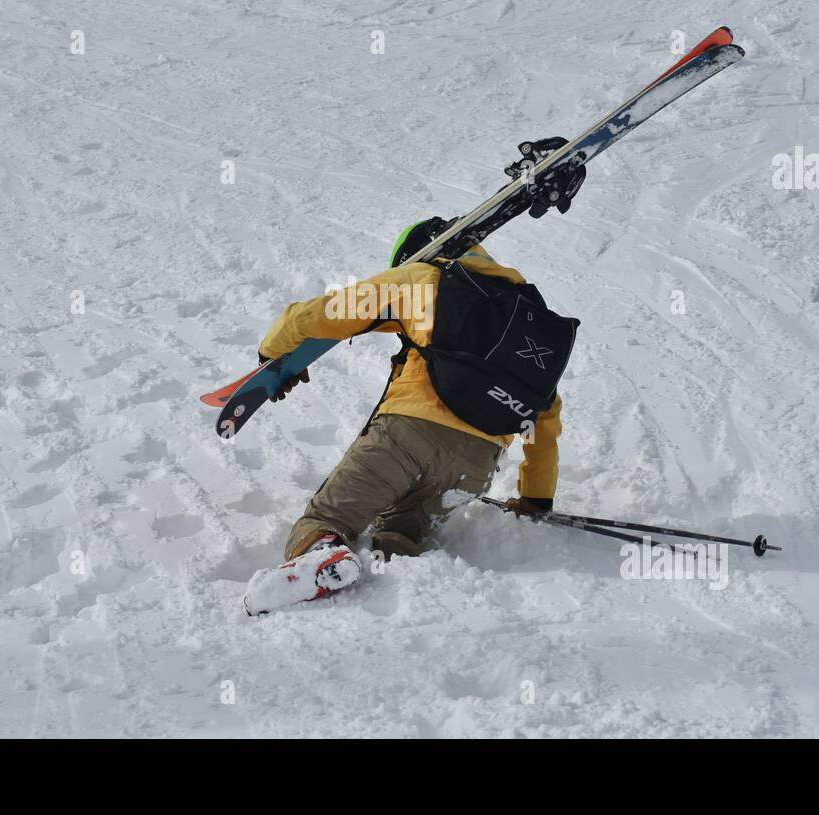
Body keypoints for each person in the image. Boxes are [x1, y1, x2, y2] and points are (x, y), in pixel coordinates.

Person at [243, 206, 578, 614]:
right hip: (475, 466)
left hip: (406, 435)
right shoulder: (529, 322)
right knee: (402, 534)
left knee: (329, 517)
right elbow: (544, 422)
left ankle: (324, 551)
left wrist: (272, 351)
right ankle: (401, 588)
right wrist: (535, 499)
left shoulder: (426, 277)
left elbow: (327, 312)